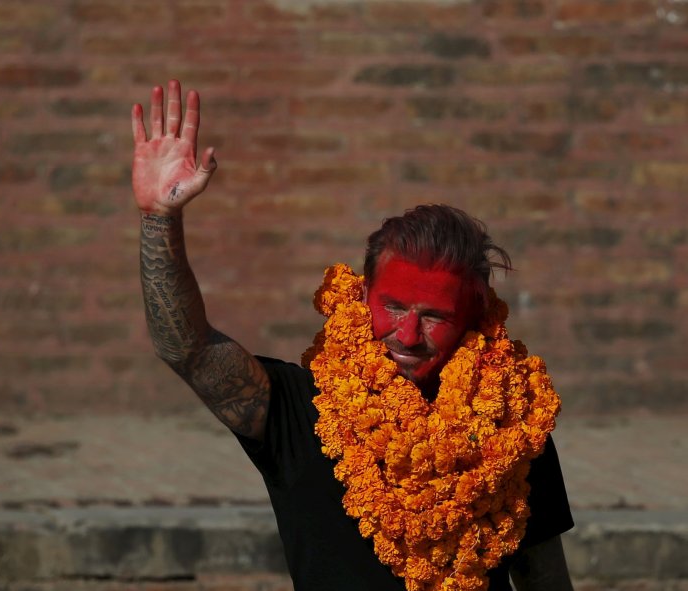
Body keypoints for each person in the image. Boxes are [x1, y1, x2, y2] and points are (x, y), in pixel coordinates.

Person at [132, 80, 575, 591]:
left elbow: (546, 580)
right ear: (364, 296)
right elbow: (185, 348)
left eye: (434, 316)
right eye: (392, 307)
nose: (407, 335)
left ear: (474, 316)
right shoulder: (299, 413)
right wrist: (159, 220)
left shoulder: (511, 428)